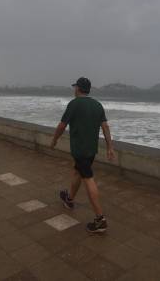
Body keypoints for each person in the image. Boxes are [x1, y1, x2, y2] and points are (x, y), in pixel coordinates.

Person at [50, 77, 115, 233]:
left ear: (78, 89)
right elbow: (105, 126)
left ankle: (100, 220)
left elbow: (62, 125)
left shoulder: (74, 104)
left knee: (88, 178)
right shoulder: (97, 105)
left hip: (80, 150)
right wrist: (109, 147)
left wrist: (54, 140)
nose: (74, 90)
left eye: (75, 87)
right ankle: (69, 199)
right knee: (78, 172)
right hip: (91, 150)